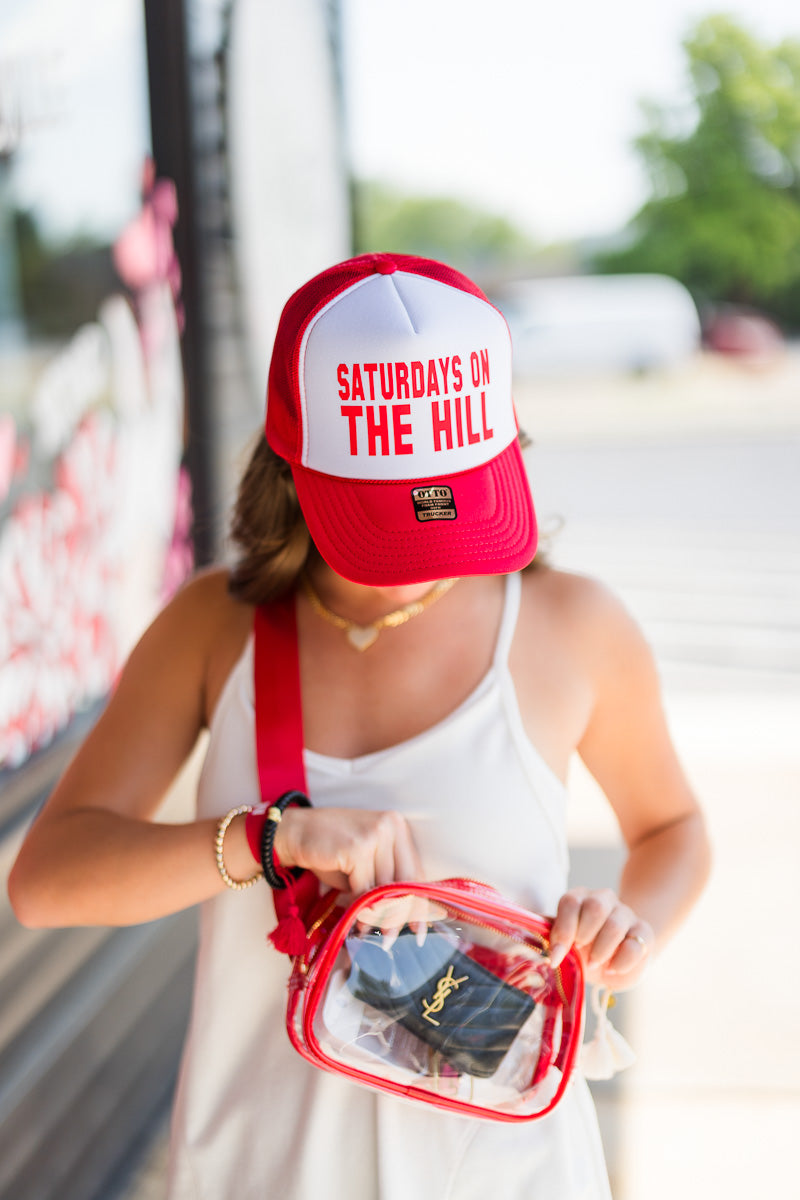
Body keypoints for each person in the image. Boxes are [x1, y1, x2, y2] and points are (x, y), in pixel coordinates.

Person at [8, 253, 710, 1199]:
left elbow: (674, 832)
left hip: (503, 1172)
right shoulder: (214, 627)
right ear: (293, 467)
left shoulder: (573, 627)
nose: (430, 558)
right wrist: (264, 838)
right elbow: (46, 887)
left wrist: (632, 929)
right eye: (391, 522)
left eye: (455, 506)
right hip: (258, 1167)